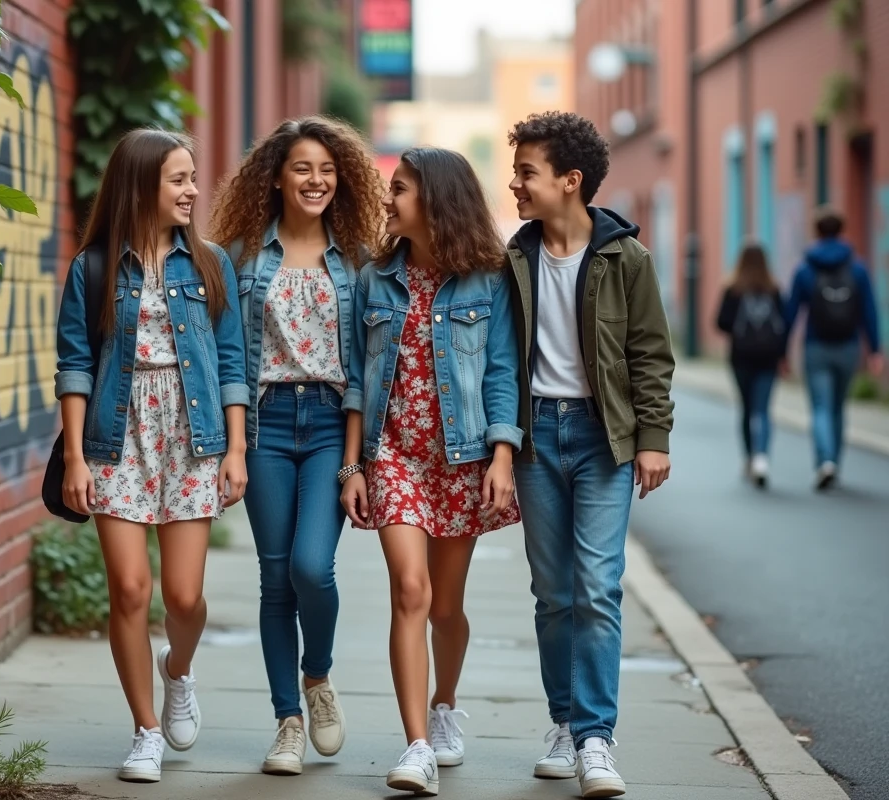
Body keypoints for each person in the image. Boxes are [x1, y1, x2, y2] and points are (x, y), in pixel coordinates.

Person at [53, 128, 249, 783]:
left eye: (192, 177)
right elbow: (76, 364)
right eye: (179, 179)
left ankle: (179, 670)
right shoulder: (93, 269)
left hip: (191, 437)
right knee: (130, 590)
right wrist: (76, 457)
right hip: (118, 434)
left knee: (185, 598)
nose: (194, 190)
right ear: (142, 186)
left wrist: (236, 448)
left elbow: (230, 363)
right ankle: (144, 731)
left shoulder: (211, 264)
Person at [340, 147, 523, 797]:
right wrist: (355, 466)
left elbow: (503, 371)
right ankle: (416, 744)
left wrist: (503, 456)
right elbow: (358, 382)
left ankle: (444, 705)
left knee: (446, 606)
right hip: (394, 456)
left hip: (462, 457)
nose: (390, 200)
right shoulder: (376, 278)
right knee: (410, 593)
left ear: (437, 199)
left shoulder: (490, 278)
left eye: (401, 189)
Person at [504, 111, 675, 799]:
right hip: (537, 439)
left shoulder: (626, 259)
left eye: (526, 173)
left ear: (570, 181)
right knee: (554, 594)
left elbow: (649, 356)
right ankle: (565, 721)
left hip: (605, 440)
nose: (514, 184)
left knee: (598, 590)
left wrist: (654, 439)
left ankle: (596, 739)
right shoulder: (512, 260)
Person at [209, 117, 384, 776]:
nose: (316, 180)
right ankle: (287, 720)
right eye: (303, 168)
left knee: (314, 568)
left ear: (340, 179)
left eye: (326, 170)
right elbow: (227, 357)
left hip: (331, 425)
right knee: (275, 577)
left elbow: (369, 367)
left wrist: (356, 459)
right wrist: (230, 447)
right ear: (276, 177)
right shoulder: (241, 257)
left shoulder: (361, 259)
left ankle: (318, 678)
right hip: (266, 427)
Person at [783, 207, 883, 490]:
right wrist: (875, 350)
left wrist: (782, 350)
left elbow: (792, 311)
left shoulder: (805, 268)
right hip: (848, 347)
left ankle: (825, 461)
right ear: (841, 231)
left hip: (816, 346)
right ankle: (835, 462)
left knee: (820, 408)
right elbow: (869, 311)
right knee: (839, 407)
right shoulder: (858, 268)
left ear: (817, 232)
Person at [716, 242, 786, 488]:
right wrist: (783, 355)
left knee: (746, 409)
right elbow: (784, 325)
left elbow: (721, 322)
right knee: (764, 409)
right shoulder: (774, 288)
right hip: (768, 358)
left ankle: (748, 457)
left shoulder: (733, 288)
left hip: (741, 357)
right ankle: (762, 458)